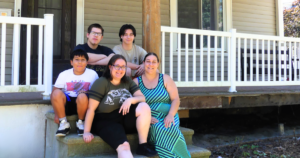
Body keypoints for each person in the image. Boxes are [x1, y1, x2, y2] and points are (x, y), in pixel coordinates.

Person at [82, 54, 157, 158]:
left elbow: (142, 98)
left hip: (124, 116)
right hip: (106, 121)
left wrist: (130, 100)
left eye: (123, 67)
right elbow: (91, 109)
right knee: (125, 147)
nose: (120, 70)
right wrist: (86, 131)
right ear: (110, 67)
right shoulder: (101, 82)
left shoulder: (127, 80)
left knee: (144, 106)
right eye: (117, 66)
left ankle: (143, 145)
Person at [133, 53, 191, 158]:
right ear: (143, 63)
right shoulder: (136, 82)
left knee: (170, 126)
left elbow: (176, 99)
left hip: (168, 114)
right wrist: (146, 117)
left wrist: (170, 115)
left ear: (158, 64)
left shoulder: (165, 79)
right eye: (148, 61)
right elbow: (134, 104)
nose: (151, 64)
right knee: (158, 128)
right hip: (150, 117)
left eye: (154, 62)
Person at [51, 49, 99, 136]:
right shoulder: (64, 74)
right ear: (71, 62)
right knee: (56, 92)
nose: (80, 62)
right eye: (77, 59)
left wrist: (86, 92)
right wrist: (56, 113)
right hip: (67, 103)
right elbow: (53, 94)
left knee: (82, 96)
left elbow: (97, 92)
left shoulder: (92, 74)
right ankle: (63, 123)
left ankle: (81, 122)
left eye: (83, 60)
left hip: (83, 104)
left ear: (87, 62)